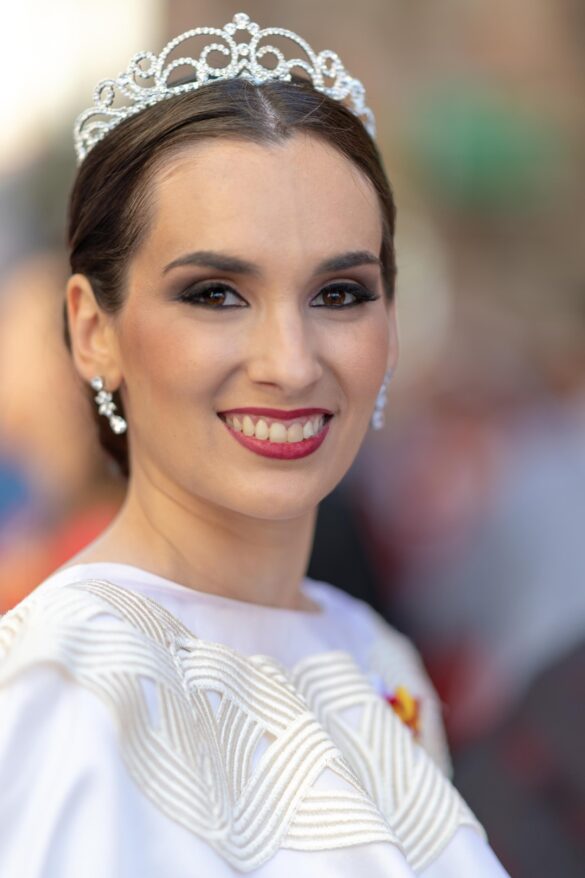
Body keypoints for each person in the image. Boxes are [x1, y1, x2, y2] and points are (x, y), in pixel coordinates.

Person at [0, 11, 510, 877]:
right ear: (93, 331)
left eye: (339, 294)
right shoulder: (66, 686)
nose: (291, 362)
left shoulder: (374, 657)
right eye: (215, 294)